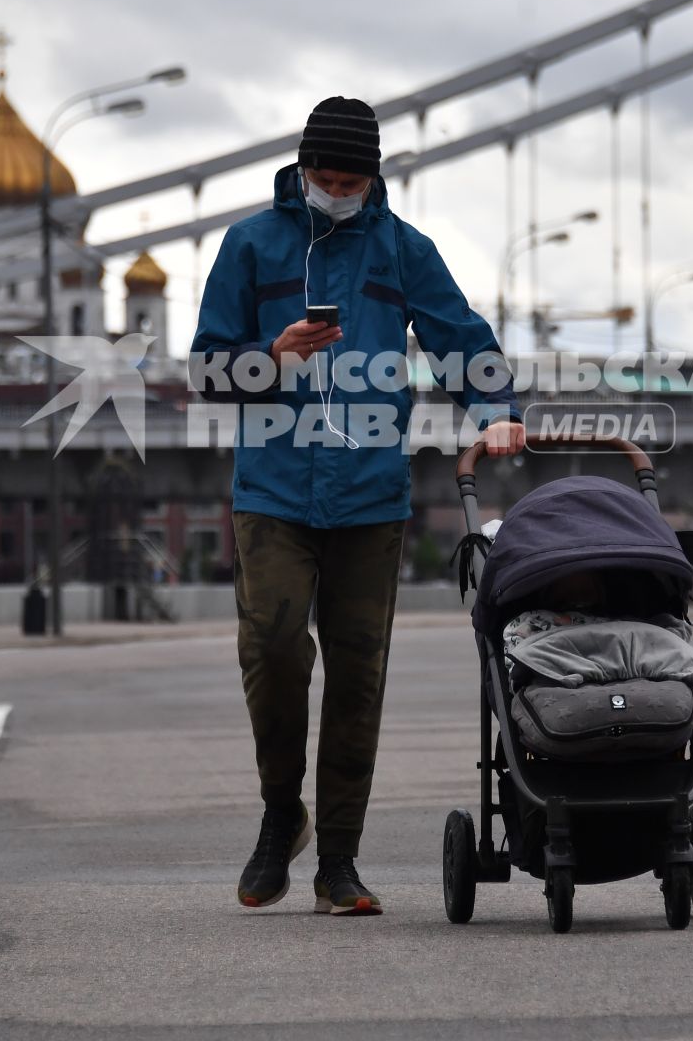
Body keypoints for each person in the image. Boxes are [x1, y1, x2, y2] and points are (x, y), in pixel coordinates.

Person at [192, 96, 524, 916]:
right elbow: (204, 369)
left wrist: (498, 410)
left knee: (358, 679)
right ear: (301, 168)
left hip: (370, 496)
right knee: (273, 649)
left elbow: (461, 339)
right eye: (321, 177)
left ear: (372, 179)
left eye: (348, 180)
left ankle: (338, 860)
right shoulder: (249, 244)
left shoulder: (404, 250)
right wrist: (268, 357)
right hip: (271, 491)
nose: (333, 191)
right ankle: (282, 812)